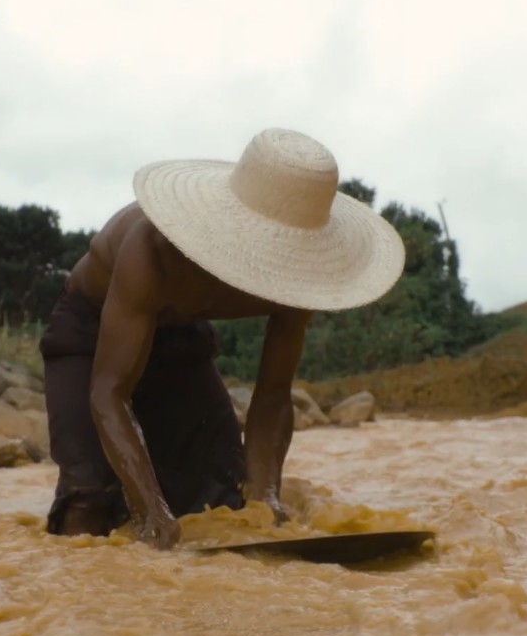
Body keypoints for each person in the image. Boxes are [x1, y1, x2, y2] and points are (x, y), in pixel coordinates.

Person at [41, 128, 405, 549]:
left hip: (180, 337)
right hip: (91, 331)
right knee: (89, 502)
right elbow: (108, 392)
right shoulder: (152, 251)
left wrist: (266, 498)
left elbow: (272, 394)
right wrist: (149, 511)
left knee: (220, 498)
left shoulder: (299, 279)